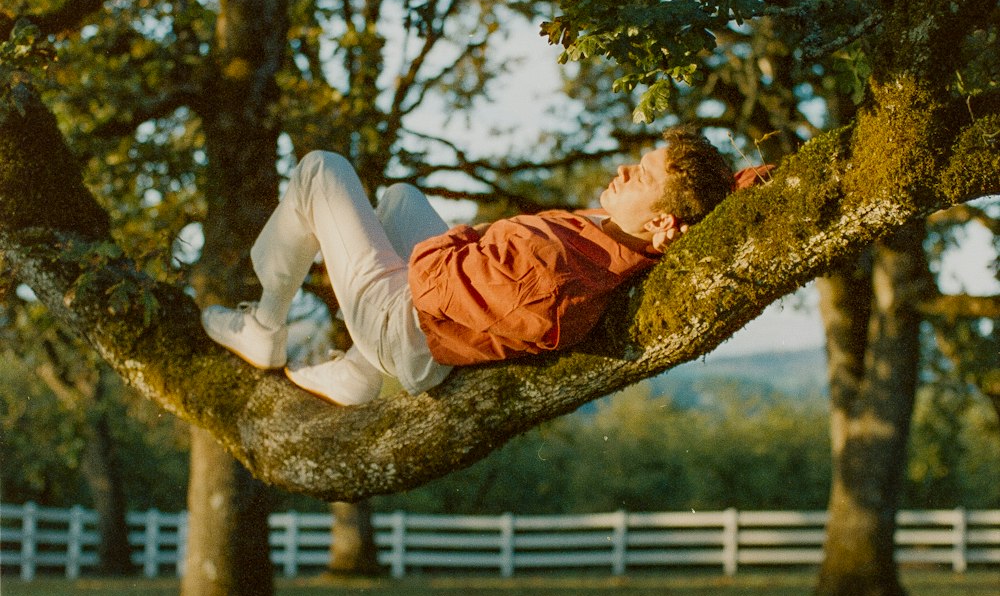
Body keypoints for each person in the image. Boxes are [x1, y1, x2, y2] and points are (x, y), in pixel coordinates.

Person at [201, 126, 769, 405]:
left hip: (403, 324)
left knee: (321, 170)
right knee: (398, 199)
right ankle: (356, 372)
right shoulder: (619, 232)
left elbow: (432, 284)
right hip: (441, 304)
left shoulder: (552, 274)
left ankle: (265, 327)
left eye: (642, 177)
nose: (625, 172)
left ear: (664, 225)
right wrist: (747, 182)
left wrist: (462, 240)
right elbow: (709, 201)